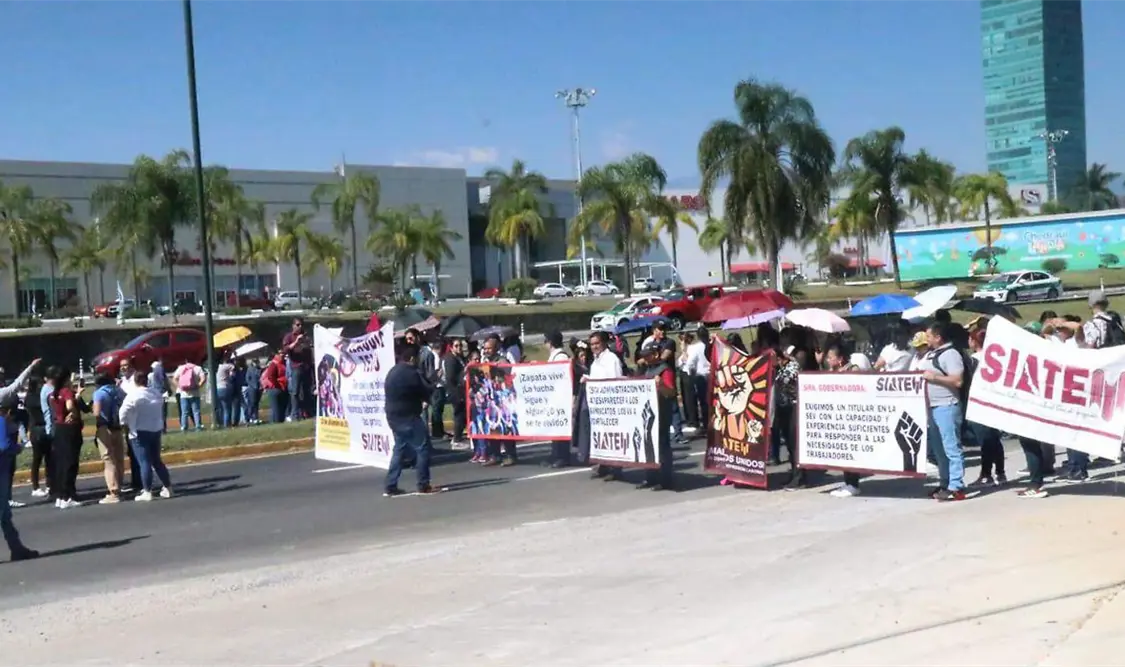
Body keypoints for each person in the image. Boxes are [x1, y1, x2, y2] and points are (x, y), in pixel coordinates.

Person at [382, 343, 439, 497]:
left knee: (399, 450)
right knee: (422, 448)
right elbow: (424, 390)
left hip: (393, 416)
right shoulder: (412, 373)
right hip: (409, 416)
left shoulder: (393, 371)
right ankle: (423, 484)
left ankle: (391, 485)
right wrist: (433, 384)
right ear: (413, 358)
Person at [920, 323, 967, 501]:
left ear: (938, 337)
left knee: (951, 447)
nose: (927, 339)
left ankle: (956, 486)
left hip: (947, 405)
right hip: (932, 406)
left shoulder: (951, 354)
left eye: (929, 336)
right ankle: (945, 482)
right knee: (939, 450)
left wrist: (934, 378)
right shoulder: (931, 354)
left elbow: (957, 381)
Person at [119, 371, 173, 502]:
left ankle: (147, 491)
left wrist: (124, 423)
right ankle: (168, 487)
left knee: (144, 462)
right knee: (156, 460)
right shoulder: (155, 393)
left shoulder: (133, 395)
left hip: (139, 431)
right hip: (155, 429)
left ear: (135, 382)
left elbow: (123, 413)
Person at [579, 331, 625, 480]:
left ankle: (616, 468)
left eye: (597, 343)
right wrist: (589, 379)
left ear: (604, 343)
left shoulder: (611, 359)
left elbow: (614, 380)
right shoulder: (595, 361)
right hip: (597, 406)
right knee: (600, 436)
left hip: (609, 405)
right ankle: (603, 464)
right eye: (592, 344)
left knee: (612, 435)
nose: (594, 347)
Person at [965, 326, 1005, 487]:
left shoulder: (974, 359)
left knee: (985, 441)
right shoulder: (996, 356)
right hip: (995, 400)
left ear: (975, 341)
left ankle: (986, 473)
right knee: (995, 438)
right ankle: (1000, 472)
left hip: (980, 402)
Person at [1, 392, 38, 562]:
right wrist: (18, 448)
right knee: (3, 514)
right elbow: (3, 446)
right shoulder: (1, 421)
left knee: (5, 514)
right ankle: (16, 548)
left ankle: (17, 548)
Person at [636, 341, 677, 491]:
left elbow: (671, 392)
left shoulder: (665, 370)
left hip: (662, 413)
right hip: (648, 414)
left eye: (648, 355)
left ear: (655, 355)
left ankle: (666, 479)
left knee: (663, 446)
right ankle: (650, 477)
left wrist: (661, 386)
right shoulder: (647, 370)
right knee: (648, 445)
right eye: (644, 356)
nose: (645, 359)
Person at [480, 334, 519, 466]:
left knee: (506, 427)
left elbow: (510, 373)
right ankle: (495, 454)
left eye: (489, 349)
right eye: (485, 348)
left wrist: (500, 367)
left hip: (503, 400)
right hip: (491, 400)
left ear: (496, 348)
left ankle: (511, 455)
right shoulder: (484, 362)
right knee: (492, 427)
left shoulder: (502, 360)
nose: (486, 351)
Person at [48, 366, 84, 509]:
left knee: (61, 463)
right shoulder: (66, 391)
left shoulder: (52, 394)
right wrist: (74, 413)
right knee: (71, 462)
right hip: (70, 429)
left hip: (59, 428)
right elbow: (69, 406)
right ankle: (68, 496)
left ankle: (60, 495)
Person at [92, 373, 126, 504]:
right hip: (117, 427)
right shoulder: (118, 391)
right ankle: (120, 485)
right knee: (119, 458)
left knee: (108, 460)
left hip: (105, 428)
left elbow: (96, 412)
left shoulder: (99, 393)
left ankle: (113, 490)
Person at [25, 373, 53, 499]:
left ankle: (43, 485)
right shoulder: (36, 398)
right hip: (39, 429)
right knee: (42, 459)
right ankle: (39, 486)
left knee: (43, 459)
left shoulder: (28, 398)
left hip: (35, 429)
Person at [281, 317, 313, 420]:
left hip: (306, 366)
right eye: (298, 325)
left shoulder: (306, 335)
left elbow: (310, 348)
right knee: (295, 391)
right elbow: (285, 350)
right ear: (293, 326)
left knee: (307, 390)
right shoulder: (289, 337)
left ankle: (307, 412)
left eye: (301, 325)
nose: (300, 327)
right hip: (296, 366)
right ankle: (295, 414)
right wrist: (296, 342)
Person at [684, 326, 712, 430]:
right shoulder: (711, 345)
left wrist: (691, 374)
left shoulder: (696, 347)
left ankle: (706, 424)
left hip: (701, 376)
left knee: (704, 402)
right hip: (712, 375)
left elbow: (690, 363)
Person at [443, 340, 468, 448]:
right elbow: (451, 377)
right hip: (455, 391)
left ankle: (458, 436)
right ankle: (456, 439)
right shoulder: (450, 359)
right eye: (456, 346)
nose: (459, 348)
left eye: (460, 346)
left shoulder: (460, 357)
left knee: (463, 414)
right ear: (451, 347)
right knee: (459, 414)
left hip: (461, 390)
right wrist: (464, 372)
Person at [173, 359, 205, 431]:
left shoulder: (181, 368)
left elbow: (174, 378)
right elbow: (203, 378)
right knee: (196, 411)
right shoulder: (198, 368)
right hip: (195, 393)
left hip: (184, 394)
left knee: (184, 412)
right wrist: (198, 386)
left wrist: (180, 387)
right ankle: (198, 426)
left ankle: (184, 427)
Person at [424, 338, 446, 439]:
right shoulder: (435, 357)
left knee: (437, 410)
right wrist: (439, 375)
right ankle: (437, 432)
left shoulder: (432, 356)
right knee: (437, 409)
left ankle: (439, 430)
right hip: (437, 386)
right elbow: (435, 372)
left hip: (437, 386)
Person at [261, 354, 288, 423]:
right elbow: (270, 376)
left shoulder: (281, 363)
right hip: (275, 388)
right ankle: (276, 422)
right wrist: (277, 385)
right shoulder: (274, 364)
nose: (282, 356)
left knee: (280, 407)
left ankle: (279, 421)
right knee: (275, 407)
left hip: (281, 387)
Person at [215, 353, 236, 428]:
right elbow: (233, 373)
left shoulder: (218, 367)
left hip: (218, 388)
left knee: (221, 407)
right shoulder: (228, 366)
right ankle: (227, 424)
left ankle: (220, 423)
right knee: (227, 408)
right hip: (225, 387)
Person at [243, 358, 262, 425]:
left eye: (257, 362)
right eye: (255, 362)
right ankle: (249, 418)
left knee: (256, 404)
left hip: (258, 389)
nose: (257, 363)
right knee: (252, 404)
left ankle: (256, 418)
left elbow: (261, 378)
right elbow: (247, 379)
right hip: (252, 389)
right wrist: (253, 385)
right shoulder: (250, 369)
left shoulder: (259, 369)